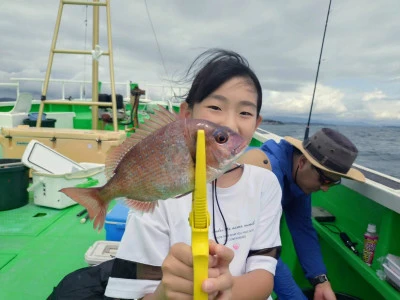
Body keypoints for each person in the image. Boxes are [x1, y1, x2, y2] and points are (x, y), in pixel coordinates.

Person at [104, 49, 283, 300]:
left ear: (257, 122)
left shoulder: (265, 183)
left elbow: (264, 272)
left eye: (245, 112)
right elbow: (134, 293)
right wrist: (166, 294)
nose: (231, 124)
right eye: (215, 106)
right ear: (187, 115)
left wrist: (224, 291)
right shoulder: (159, 191)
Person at [238, 128, 366, 300]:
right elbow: (259, 249)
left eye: (333, 183)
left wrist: (321, 280)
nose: (325, 189)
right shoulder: (266, 175)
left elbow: (302, 228)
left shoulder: (298, 180)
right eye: (324, 180)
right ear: (303, 162)